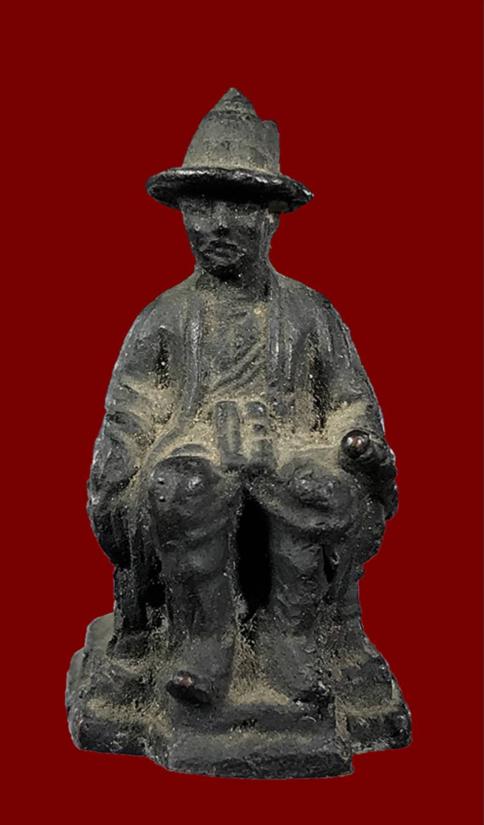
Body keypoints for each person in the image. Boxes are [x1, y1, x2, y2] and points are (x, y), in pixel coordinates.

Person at [88, 89, 397, 706]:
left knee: (320, 487)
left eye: (240, 207)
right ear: (184, 214)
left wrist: (353, 442)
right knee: (182, 486)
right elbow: (129, 412)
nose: (219, 224)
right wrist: (127, 468)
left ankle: (292, 637)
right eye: (202, 206)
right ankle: (205, 639)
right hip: (196, 454)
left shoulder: (310, 314)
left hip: (287, 452)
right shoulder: (164, 319)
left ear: (271, 217)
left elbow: (349, 399)